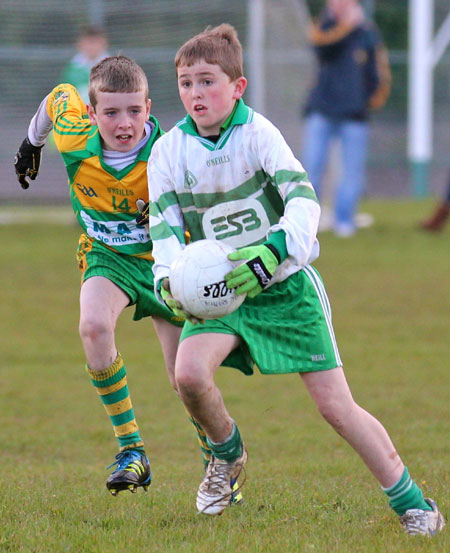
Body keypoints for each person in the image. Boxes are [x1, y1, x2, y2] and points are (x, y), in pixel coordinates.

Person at [146, 24, 444, 535]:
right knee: (189, 375)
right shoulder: (168, 152)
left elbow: (305, 202)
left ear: (237, 87)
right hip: (224, 296)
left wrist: (270, 253)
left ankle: (416, 506)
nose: (196, 93)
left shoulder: (259, 134)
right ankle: (227, 454)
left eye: (207, 81)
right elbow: (165, 230)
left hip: (283, 287)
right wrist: (170, 279)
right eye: (186, 83)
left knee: (336, 408)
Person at [12, 55, 227, 500]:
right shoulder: (75, 138)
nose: (124, 122)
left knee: (183, 377)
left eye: (134, 110)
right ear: (92, 115)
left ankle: (218, 462)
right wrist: (31, 143)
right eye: (110, 112)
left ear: (149, 108)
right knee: (92, 325)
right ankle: (132, 450)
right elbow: (57, 98)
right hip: (107, 257)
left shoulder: (171, 153)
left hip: (166, 264)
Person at [302, 0, 391, 237]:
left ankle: (344, 220)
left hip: (354, 116)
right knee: (312, 169)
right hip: (322, 112)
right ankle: (311, 220)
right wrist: (346, 26)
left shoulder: (368, 32)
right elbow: (319, 46)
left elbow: (379, 71)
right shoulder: (325, 26)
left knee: (352, 173)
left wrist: (367, 102)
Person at [61, 25, 109, 104]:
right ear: (79, 44)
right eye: (88, 42)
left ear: (104, 43)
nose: (92, 46)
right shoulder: (71, 70)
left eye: (95, 42)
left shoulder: (113, 68)